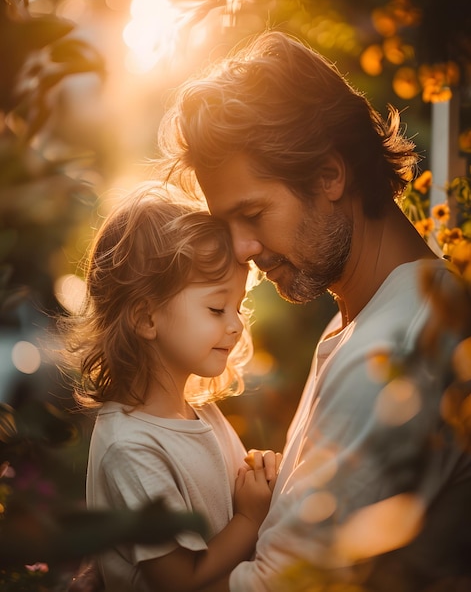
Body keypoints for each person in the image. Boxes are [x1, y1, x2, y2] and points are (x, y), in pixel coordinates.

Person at [157, 30, 471, 591]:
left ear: (329, 174)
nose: (243, 250)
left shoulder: (395, 350)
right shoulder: (360, 319)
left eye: (252, 212)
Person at [62, 183, 281, 592]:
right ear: (146, 318)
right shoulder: (131, 447)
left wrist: (259, 481)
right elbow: (179, 578)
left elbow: (229, 501)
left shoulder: (201, 413)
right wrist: (250, 519)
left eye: (237, 307)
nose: (236, 324)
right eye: (217, 308)